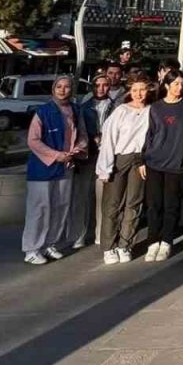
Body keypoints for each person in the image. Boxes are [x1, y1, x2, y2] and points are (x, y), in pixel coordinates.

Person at [22, 76, 88, 265]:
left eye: (67, 87)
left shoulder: (75, 110)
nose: (62, 90)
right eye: (59, 86)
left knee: (61, 207)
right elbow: (33, 141)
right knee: (40, 209)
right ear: (53, 90)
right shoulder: (43, 112)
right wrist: (56, 155)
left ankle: (50, 243)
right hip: (43, 169)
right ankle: (32, 248)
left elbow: (82, 135)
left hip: (66, 167)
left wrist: (77, 150)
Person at [96, 75, 151, 264]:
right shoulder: (121, 111)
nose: (139, 94)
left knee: (134, 203)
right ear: (130, 91)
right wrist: (105, 168)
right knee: (113, 205)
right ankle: (109, 246)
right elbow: (109, 139)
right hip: (120, 159)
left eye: (142, 89)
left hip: (139, 160)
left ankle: (125, 244)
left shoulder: (151, 111)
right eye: (135, 90)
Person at [141, 71, 183, 262]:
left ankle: (166, 241)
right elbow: (150, 135)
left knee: (171, 205)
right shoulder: (156, 107)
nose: (180, 87)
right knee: (154, 205)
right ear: (166, 85)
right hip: (155, 162)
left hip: (177, 163)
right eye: (176, 84)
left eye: (182, 84)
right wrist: (143, 159)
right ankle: (152, 242)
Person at [73, 74, 113, 251]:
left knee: (103, 196)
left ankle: (100, 233)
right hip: (88, 156)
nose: (101, 88)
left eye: (105, 85)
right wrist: (92, 138)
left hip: (106, 156)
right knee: (84, 196)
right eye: (98, 85)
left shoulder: (116, 107)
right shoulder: (84, 107)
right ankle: (80, 234)